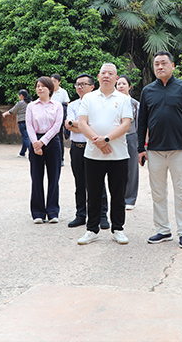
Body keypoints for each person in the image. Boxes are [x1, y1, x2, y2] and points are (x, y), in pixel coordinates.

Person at [137, 51, 182, 249]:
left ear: (172, 65)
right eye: (156, 64)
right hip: (154, 150)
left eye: (164, 63)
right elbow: (142, 121)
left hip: (179, 150)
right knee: (158, 193)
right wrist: (140, 148)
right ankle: (163, 230)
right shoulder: (147, 91)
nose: (160, 67)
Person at [76, 63, 133, 245]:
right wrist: (98, 141)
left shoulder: (123, 99)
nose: (106, 75)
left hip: (118, 155)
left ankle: (118, 229)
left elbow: (126, 124)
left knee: (118, 194)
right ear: (99, 77)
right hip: (93, 154)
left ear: (116, 78)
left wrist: (106, 139)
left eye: (110, 73)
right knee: (93, 194)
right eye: (103, 73)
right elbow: (82, 123)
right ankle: (92, 230)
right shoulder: (89, 98)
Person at [65, 74, 109, 229]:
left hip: (93, 147)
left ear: (92, 87)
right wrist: (84, 125)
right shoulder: (72, 105)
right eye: (77, 84)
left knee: (98, 183)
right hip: (76, 148)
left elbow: (96, 126)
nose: (79, 87)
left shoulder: (99, 104)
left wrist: (78, 124)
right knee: (79, 183)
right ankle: (80, 215)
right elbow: (69, 125)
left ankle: (102, 215)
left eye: (83, 84)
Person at [26, 76, 63, 224]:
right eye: (37, 86)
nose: (39, 88)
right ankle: (38, 213)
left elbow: (57, 126)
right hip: (35, 141)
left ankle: (53, 212)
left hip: (52, 142)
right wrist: (36, 143)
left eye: (42, 86)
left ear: (50, 89)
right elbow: (29, 126)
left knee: (54, 178)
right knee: (36, 177)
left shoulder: (57, 105)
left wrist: (43, 142)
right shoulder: (31, 106)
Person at [117, 75, 140, 210]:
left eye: (124, 84)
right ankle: (118, 197)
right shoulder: (112, 102)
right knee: (117, 168)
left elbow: (139, 124)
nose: (121, 86)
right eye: (118, 84)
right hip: (115, 138)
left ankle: (130, 199)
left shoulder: (135, 104)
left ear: (129, 87)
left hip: (131, 137)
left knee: (132, 168)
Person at [2, 89, 32, 158]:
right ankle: (22, 153)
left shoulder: (20, 103)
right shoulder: (31, 103)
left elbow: (13, 110)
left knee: (26, 137)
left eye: (19, 95)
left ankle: (31, 151)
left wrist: (5, 113)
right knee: (26, 137)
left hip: (22, 122)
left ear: (21, 95)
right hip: (29, 122)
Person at [51, 74, 70, 166]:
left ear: (59, 82)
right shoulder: (49, 91)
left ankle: (60, 158)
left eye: (54, 81)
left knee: (59, 138)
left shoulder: (63, 92)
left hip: (59, 118)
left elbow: (67, 103)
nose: (53, 83)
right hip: (50, 118)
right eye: (51, 81)